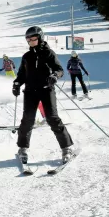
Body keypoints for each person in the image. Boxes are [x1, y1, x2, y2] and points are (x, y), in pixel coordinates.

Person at [12, 26, 73, 164]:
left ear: (40, 38)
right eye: (29, 39)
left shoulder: (48, 53)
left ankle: (66, 147)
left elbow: (59, 69)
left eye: (34, 39)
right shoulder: (26, 57)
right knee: (27, 119)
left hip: (46, 89)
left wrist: (54, 76)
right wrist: (16, 84)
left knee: (52, 118)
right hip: (30, 91)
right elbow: (21, 75)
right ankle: (22, 148)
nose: (32, 42)